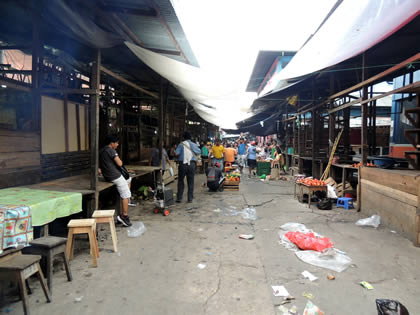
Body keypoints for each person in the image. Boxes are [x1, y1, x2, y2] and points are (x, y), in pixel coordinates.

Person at [99, 134, 132, 227]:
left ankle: (123, 211)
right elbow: (120, 163)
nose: (117, 144)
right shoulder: (111, 150)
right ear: (112, 143)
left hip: (107, 176)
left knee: (128, 180)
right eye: (116, 143)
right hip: (115, 175)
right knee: (125, 194)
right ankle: (124, 216)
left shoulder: (102, 150)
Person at [175, 131, 201, 203]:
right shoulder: (194, 144)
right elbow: (199, 152)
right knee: (191, 181)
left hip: (182, 164)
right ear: (191, 138)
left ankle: (179, 198)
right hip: (191, 165)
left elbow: (176, 153)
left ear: (183, 137)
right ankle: (190, 198)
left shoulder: (181, 144)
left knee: (180, 181)